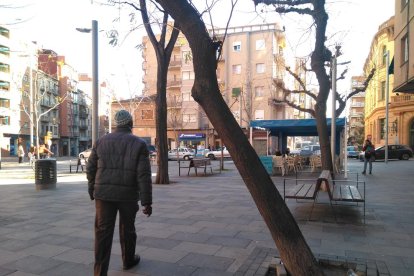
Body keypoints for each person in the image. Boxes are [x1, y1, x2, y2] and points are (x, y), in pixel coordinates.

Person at [86, 109, 152, 276]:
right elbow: (143, 176)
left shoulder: (100, 141)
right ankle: (128, 260)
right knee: (128, 229)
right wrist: (147, 202)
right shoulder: (139, 144)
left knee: (102, 233)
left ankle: (100, 272)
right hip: (128, 196)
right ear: (130, 124)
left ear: (115, 125)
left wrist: (92, 187)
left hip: (103, 195)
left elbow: (91, 168)